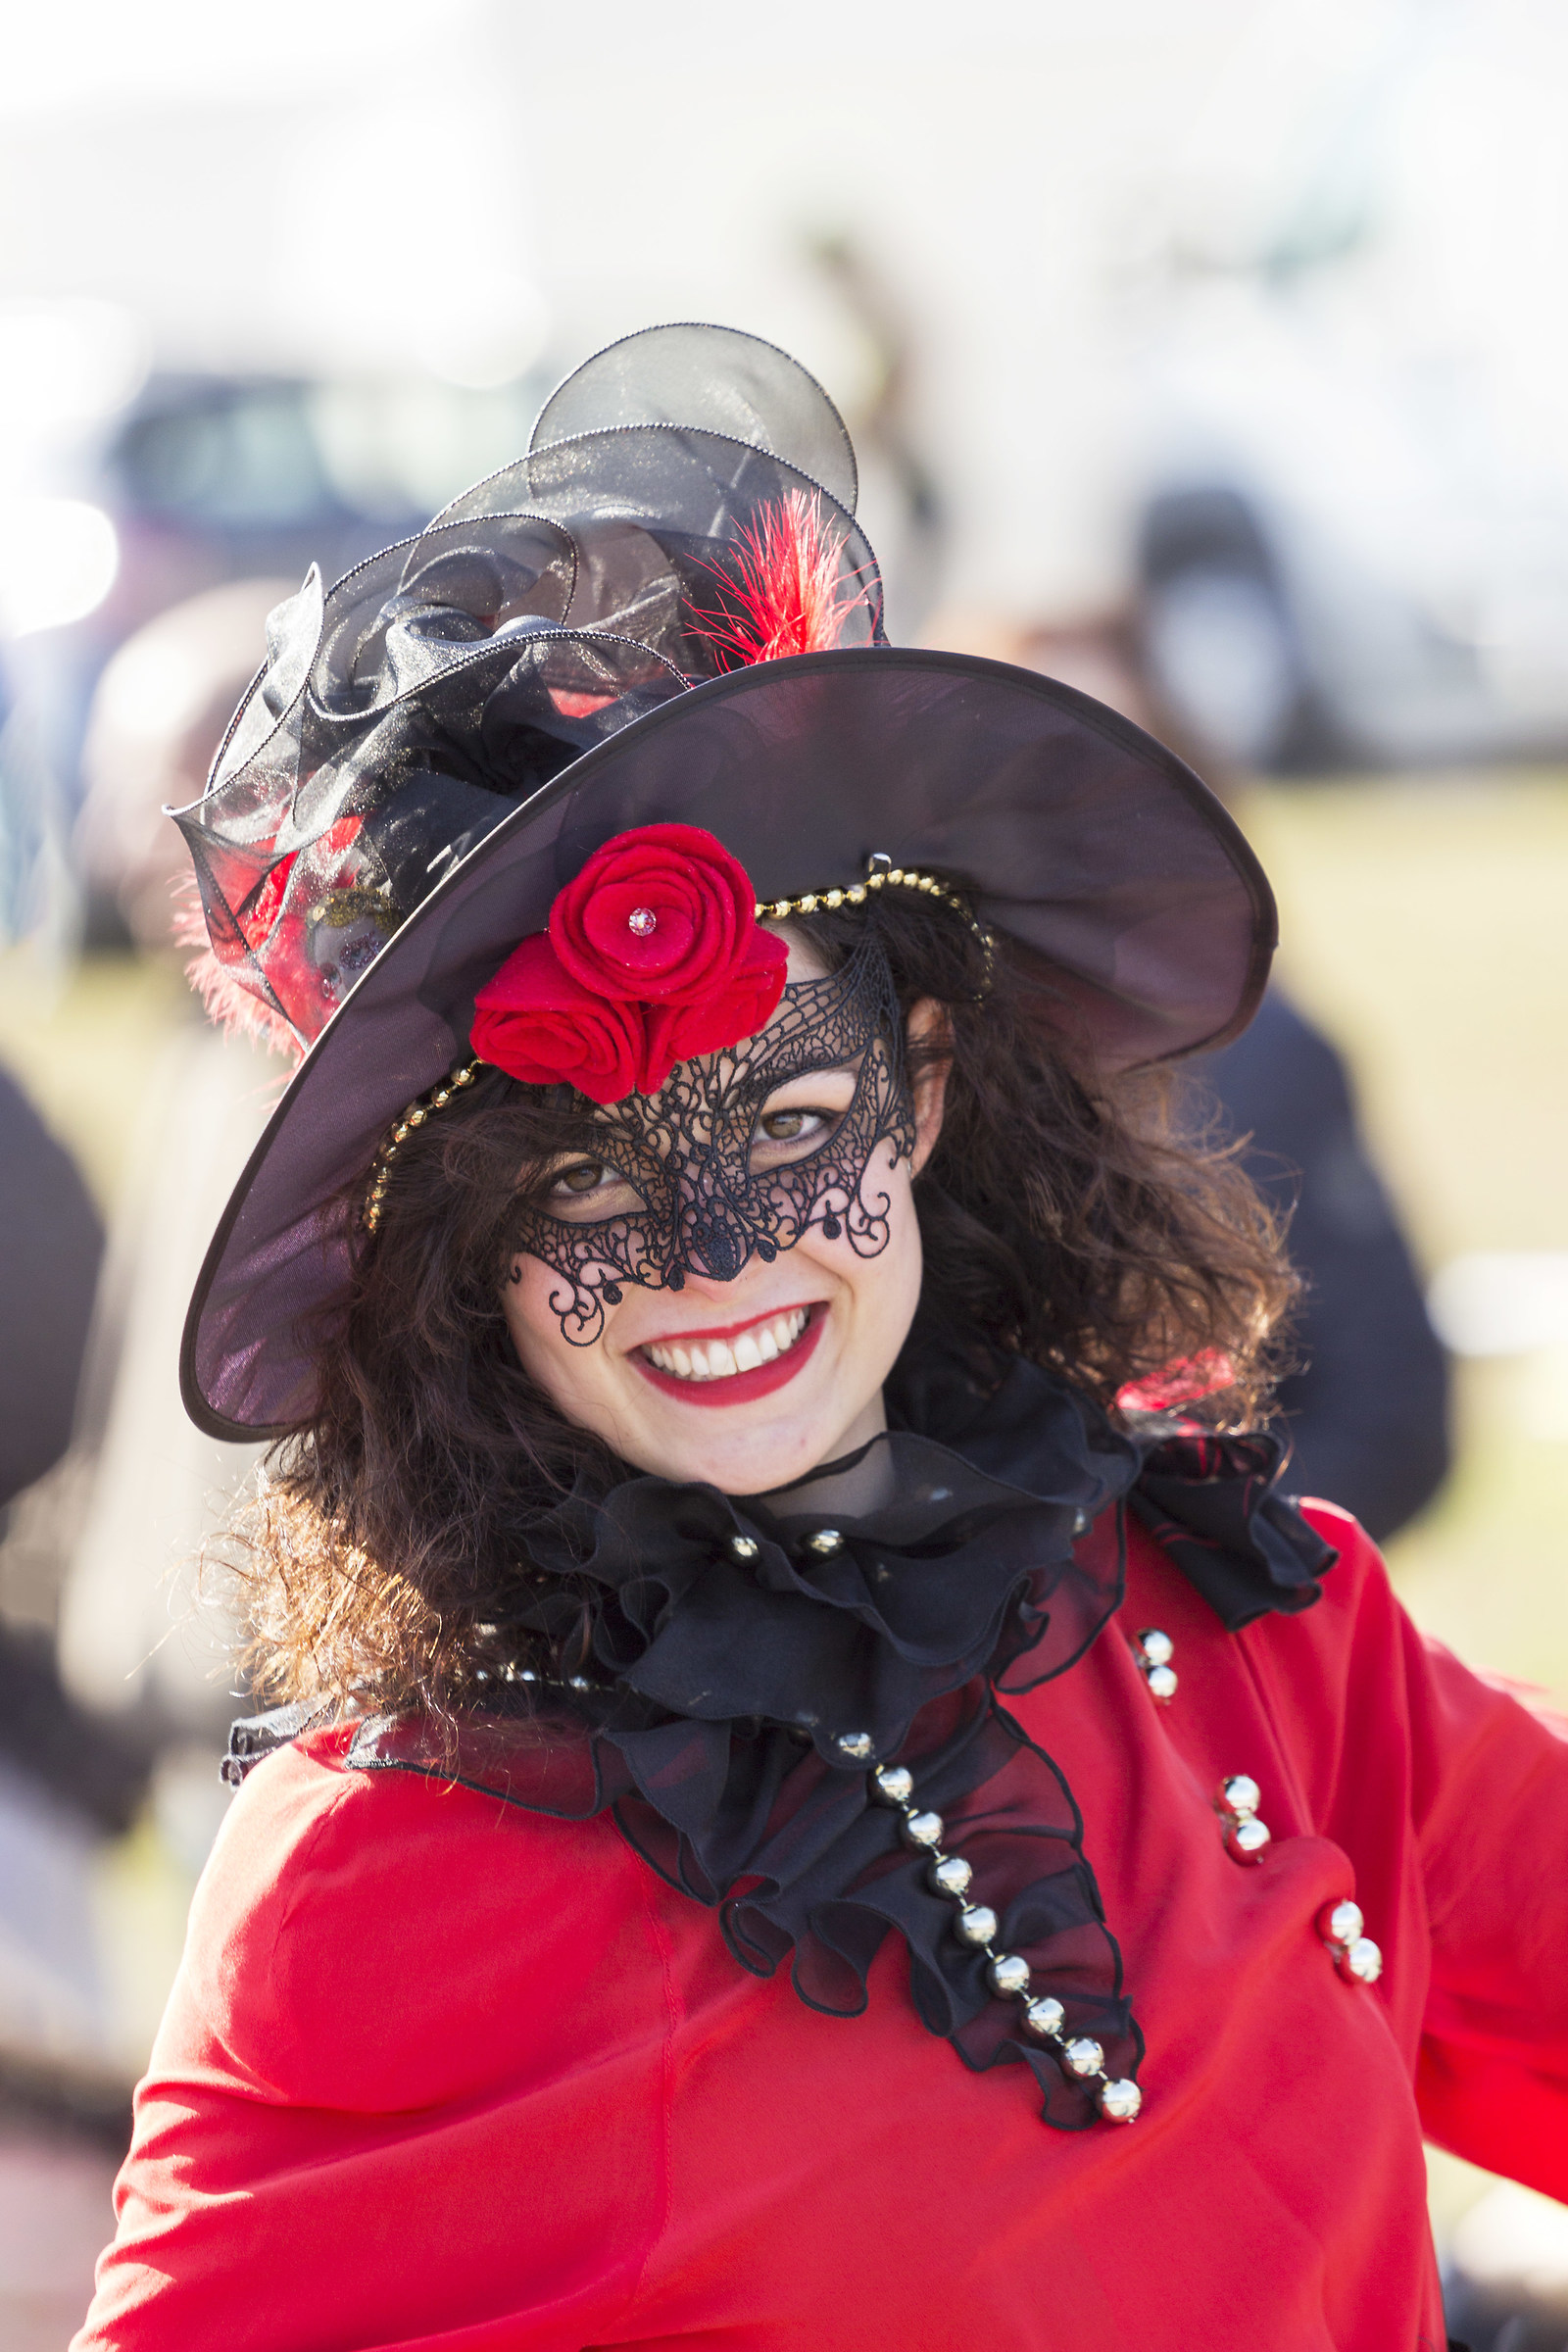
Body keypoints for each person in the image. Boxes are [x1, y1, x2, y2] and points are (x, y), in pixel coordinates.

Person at [75, 326, 1567, 2352]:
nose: (713, 1258)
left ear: (926, 1088)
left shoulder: (1249, 1629)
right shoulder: (401, 1863)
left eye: (789, 1128)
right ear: (459, 1257)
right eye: (577, 1189)